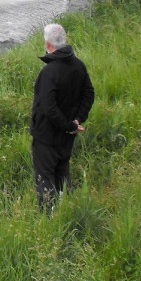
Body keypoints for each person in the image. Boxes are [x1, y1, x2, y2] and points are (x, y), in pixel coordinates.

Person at [30, 23, 94, 211]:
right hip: (67, 136)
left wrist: (68, 125)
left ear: (48, 44)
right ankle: (66, 208)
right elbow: (89, 93)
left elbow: (48, 108)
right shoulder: (78, 65)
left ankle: (49, 219)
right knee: (62, 172)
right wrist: (77, 121)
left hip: (47, 137)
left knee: (44, 177)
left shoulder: (48, 72)